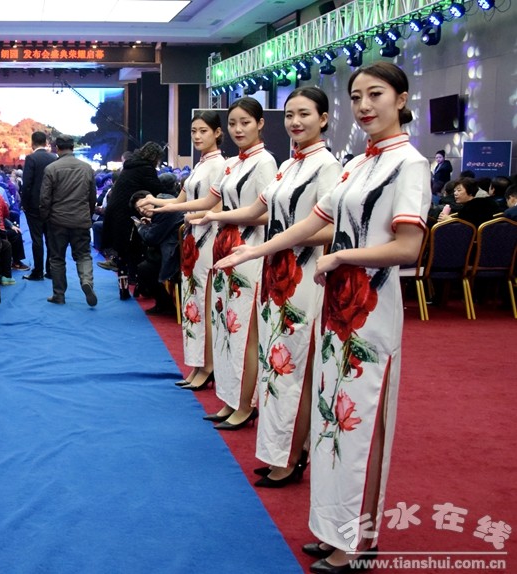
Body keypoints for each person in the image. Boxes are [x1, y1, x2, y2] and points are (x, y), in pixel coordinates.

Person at [217, 61, 430, 572]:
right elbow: (314, 219)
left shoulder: (410, 164)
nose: (364, 106)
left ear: (401, 99)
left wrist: (341, 257)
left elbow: (409, 247)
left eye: (375, 94)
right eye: (356, 97)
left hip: (371, 309)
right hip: (338, 304)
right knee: (331, 415)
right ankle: (333, 529)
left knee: (361, 422)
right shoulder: (358, 164)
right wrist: (256, 249)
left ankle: (358, 541)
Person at [201, 87, 340, 486]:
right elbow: (256, 210)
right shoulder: (290, 165)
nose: (295, 122)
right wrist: (210, 217)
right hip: (274, 270)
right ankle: (278, 449)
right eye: (290, 115)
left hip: (303, 276)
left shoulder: (327, 166)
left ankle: (292, 456)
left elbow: (331, 228)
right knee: (272, 363)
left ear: (323, 119)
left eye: (305, 115)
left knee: (293, 365)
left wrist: (277, 241)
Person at [194, 97, 277, 431]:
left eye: (245, 122)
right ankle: (230, 399)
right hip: (225, 250)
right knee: (225, 328)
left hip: (249, 252)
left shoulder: (265, 162)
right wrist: (166, 207)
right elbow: (209, 202)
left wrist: (221, 217)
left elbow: (269, 214)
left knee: (242, 332)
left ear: (260, 124)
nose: (238, 129)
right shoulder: (233, 163)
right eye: (233, 123)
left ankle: (244, 404)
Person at [144, 110, 226, 390]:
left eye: (203, 131)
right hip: (192, 237)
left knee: (205, 305)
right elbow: (182, 199)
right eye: (193, 131)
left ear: (217, 133)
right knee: (193, 303)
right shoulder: (201, 164)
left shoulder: (219, 165)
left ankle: (208, 366)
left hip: (208, 238)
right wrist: (156, 203)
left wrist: (165, 208)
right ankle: (197, 364)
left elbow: (213, 207)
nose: (197, 136)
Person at [99, 142, 166, 299]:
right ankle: (136, 283)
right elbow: (158, 189)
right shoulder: (146, 169)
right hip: (127, 214)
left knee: (122, 255)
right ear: (155, 157)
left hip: (115, 212)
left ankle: (123, 290)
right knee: (134, 250)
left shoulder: (130, 166)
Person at [39, 135, 97, 307]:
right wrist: (88, 215)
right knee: (84, 255)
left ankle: (59, 295)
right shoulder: (87, 168)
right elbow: (92, 198)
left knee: (57, 258)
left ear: (57, 148)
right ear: (73, 147)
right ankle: (86, 281)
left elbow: (45, 199)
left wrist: (45, 218)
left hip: (57, 221)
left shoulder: (51, 168)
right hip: (81, 219)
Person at [130, 190, 181, 314]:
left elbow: (151, 238)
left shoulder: (163, 211)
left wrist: (141, 227)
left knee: (144, 268)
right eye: (138, 209)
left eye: (142, 206)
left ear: (150, 198)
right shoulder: (166, 200)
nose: (141, 210)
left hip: (176, 254)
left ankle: (165, 305)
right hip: (177, 248)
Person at [21, 131, 57, 280]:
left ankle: (38, 272)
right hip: (51, 205)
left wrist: (24, 204)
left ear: (32, 143)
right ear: (46, 142)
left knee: (37, 239)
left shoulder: (31, 158)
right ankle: (50, 270)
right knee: (50, 239)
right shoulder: (54, 158)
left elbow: (27, 184)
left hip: (34, 206)